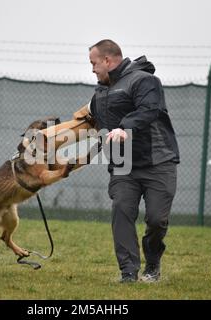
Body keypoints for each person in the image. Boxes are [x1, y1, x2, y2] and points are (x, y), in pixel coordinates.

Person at [74, 39, 180, 283]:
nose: (91, 69)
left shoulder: (144, 81)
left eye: (94, 63)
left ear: (108, 61)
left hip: (158, 162)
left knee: (156, 219)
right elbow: (85, 121)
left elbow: (148, 110)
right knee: (122, 210)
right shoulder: (100, 91)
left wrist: (124, 128)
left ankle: (152, 263)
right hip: (124, 164)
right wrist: (49, 140)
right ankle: (128, 273)